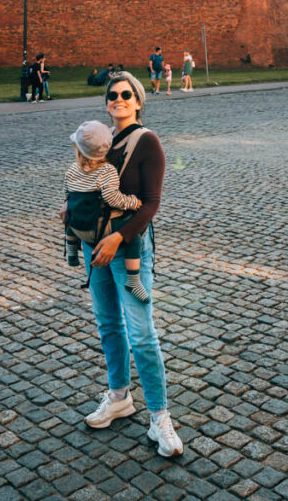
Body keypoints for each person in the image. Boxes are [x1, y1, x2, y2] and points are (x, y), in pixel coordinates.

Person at [61, 71, 183, 457]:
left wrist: (120, 236)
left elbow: (150, 203)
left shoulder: (147, 142)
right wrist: (70, 208)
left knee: (143, 334)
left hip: (127, 248)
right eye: (113, 95)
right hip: (96, 251)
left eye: (126, 94)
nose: (118, 99)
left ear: (138, 100)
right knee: (109, 324)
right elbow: (85, 187)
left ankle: (160, 418)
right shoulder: (97, 140)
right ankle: (118, 396)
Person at [64, 120, 148, 303]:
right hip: (98, 228)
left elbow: (69, 194)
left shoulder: (72, 170)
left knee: (70, 211)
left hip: (77, 226)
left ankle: (70, 249)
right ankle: (133, 280)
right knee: (133, 235)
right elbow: (113, 199)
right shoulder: (107, 171)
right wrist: (133, 202)